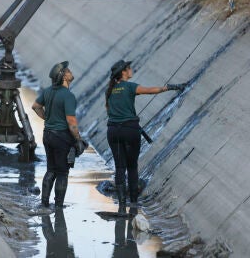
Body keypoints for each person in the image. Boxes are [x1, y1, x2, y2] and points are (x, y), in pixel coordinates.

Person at [105, 59, 186, 214]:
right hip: (130, 130)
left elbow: (110, 112)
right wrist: (170, 87)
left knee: (120, 167)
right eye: (129, 68)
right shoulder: (129, 86)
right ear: (124, 72)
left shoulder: (109, 90)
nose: (131, 69)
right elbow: (151, 90)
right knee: (132, 166)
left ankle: (122, 205)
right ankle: (133, 203)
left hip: (113, 131)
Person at [32, 61, 88, 208]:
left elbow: (36, 106)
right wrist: (78, 139)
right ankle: (58, 207)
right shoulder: (68, 96)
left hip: (48, 135)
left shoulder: (48, 91)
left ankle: (44, 204)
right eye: (68, 71)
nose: (70, 72)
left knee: (51, 170)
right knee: (62, 173)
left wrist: (47, 118)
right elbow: (71, 122)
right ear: (63, 76)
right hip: (61, 137)